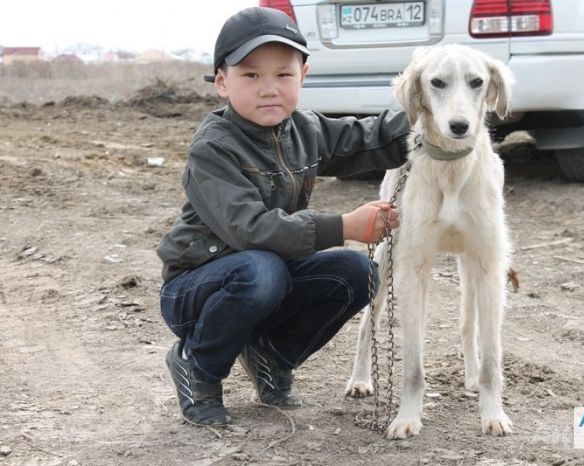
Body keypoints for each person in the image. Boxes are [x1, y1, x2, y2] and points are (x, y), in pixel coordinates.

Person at [156, 6, 410, 427]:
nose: (269, 88)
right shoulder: (212, 148)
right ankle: (197, 365)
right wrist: (344, 226)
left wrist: (433, 116)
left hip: (262, 278)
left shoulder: (306, 130)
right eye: (252, 75)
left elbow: (369, 140)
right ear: (222, 82)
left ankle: (271, 356)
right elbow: (251, 229)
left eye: (283, 74)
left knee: (356, 270)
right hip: (195, 292)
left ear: (303, 76)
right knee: (262, 268)